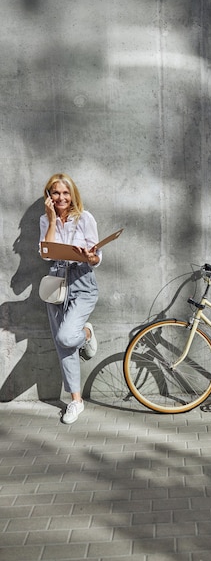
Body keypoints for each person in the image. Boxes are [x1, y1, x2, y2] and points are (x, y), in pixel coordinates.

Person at [40, 173, 101, 424]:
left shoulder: (85, 218)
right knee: (62, 344)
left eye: (65, 193)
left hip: (82, 281)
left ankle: (85, 333)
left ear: (72, 194)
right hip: (56, 283)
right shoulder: (45, 220)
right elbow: (46, 254)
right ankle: (76, 401)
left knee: (67, 336)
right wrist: (53, 220)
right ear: (49, 196)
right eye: (56, 193)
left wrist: (90, 257)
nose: (61, 197)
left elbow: (98, 257)